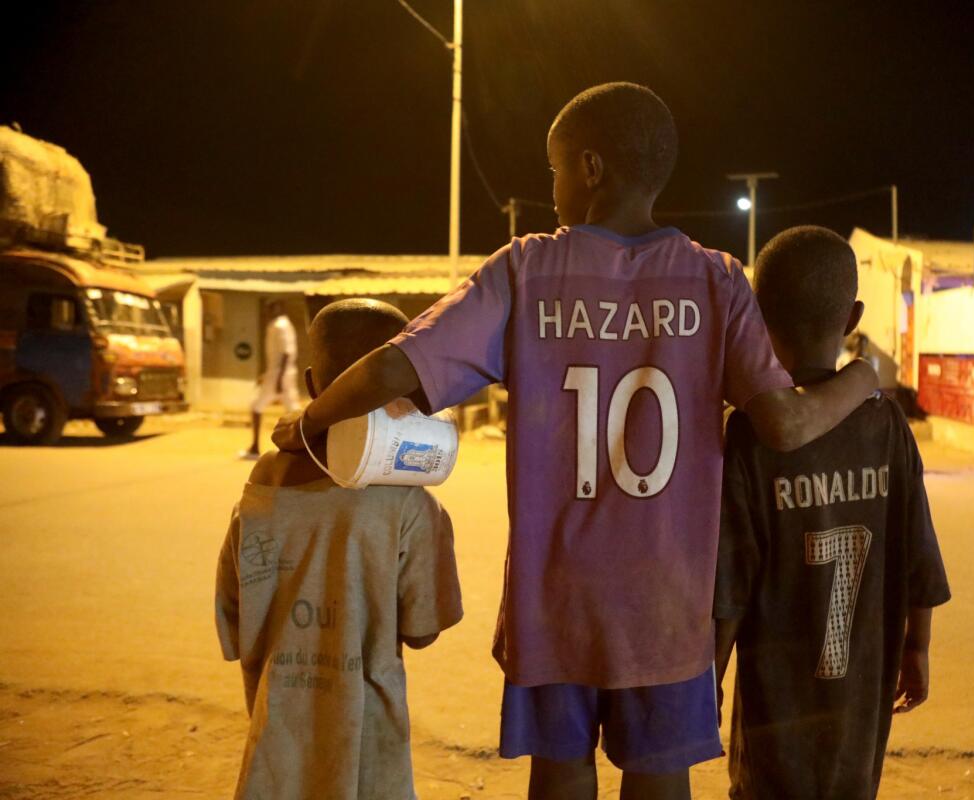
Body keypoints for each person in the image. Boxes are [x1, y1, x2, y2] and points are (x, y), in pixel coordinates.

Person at [272, 83, 877, 799]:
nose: (551, 188)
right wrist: (865, 377)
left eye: (553, 169)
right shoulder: (716, 280)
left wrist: (308, 423)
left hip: (553, 600)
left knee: (559, 773)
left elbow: (396, 365)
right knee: (659, 776)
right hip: (666, 606)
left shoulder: (525, 270)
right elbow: (785, 422)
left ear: (591, 169)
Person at [714, 226, 951, 799]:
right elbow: (918, 553)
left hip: (775, 720)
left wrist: (708, 682)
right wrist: (916, 647)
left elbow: (730, 585)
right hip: (858, 711)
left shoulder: (751, 434)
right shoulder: (887, 425)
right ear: (853, 318)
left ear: (760, 321)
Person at [216, 298, 462, 799]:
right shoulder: (411, 506)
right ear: (408, 391)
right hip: (368, 762)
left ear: (310, 385)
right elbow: (422, 631)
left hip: (275, 756)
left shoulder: (259, 487)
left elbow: (235, 618)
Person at [242, 299, 300, 459]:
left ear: (278, 309)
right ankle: (301, 449)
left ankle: (255, 447)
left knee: (257, 407)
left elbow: (286, 353)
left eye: (271, 309)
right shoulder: (283, 324)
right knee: (293, 410)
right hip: (279, 373)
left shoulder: (279, 326)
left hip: (280, 374)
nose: (268, 312)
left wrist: (279, 379)